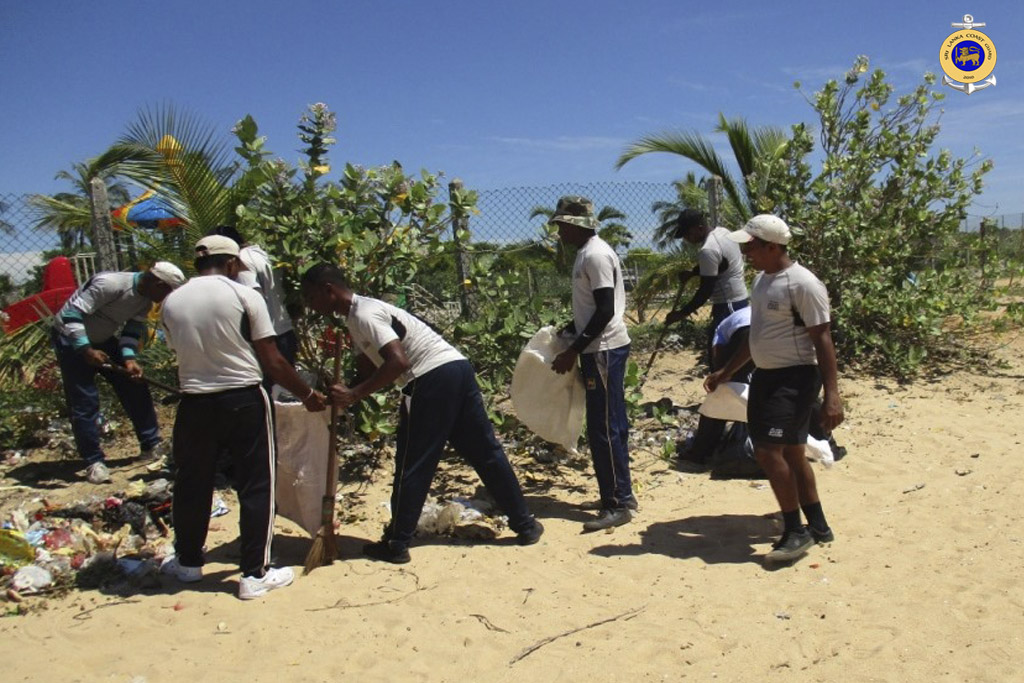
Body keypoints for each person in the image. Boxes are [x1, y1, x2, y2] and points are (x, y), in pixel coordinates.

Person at [301, 263, 544, 564]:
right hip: (456, 368)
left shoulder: (364, 314)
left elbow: (397, 362)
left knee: (412, 464)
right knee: (486, 452)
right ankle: (525, 525)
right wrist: (345, 394)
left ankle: (396, 543)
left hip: (430, 378)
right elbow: (368, 365)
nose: (310, 305)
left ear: (329, 290)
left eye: (311, 296)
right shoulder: (357, 316)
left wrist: (354, 394)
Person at [159, 236, 326, 600]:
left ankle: (187, 562)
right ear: (233, 263)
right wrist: (308, 395)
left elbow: (181, 351)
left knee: (192, 482)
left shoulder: (171, 301)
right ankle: (254, 573)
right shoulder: (245, 297)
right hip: (243, 399)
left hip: (194, 402)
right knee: (256, 483)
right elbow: (272, 359)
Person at [705, 214, 844, 563]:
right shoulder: (763, 282)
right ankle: (817, 524)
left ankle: (795, 531)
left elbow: (823, 339)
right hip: (767, 377)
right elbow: (756, 339)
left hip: (795, 378)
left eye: (750, 246)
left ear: (771, 246)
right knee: (793, 453)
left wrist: (832, 396)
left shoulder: (803, 284)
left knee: (768, 452)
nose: (746, 252)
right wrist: (725, 371)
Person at [51, 261, 185, 484]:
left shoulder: (145, 300)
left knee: (134, 384)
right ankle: (94, 461)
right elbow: (72, 314)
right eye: (168, 291)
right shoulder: (110, 284)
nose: (167, 298)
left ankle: (150, 445)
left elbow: (132, 331)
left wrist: (129, 360)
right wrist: (86, 349)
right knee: (84, 399)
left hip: (102, 340)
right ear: (158, 283)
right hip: (70, 339)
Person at [549, 195, 637, 531]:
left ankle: (616, 502)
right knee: (610, 423)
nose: (559, 233)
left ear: (574, 224)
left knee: (604, 428)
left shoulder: (595, 255)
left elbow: (604, 310)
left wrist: (574, 350)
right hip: (600, 347)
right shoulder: (589, 253)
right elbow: (594, 308)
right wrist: (570, 330)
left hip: (603, 350)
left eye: (561, 225)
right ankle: (619, 494)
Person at [209, 226, 297, 371]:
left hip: (266, 340)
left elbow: (252, 300)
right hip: (285, 332)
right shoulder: (261, 254)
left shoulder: (241, 261)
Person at [664, 209, 749, 359]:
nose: (686, 239)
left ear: (700, 227)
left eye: (688, 234)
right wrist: (693, 272)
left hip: (727, 304)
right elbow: (721, 265)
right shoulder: (723, 232)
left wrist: (681, 313)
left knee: (719, 355)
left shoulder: (708, 249)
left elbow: (705, 290)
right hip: (740, 301)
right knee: (732, 353)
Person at [679, 306, 754, 469]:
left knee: (719, 392)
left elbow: (723, 357)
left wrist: (722, 373)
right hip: (770, 331)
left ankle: (700, 452)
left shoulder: (720, 334)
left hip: (747, 333)